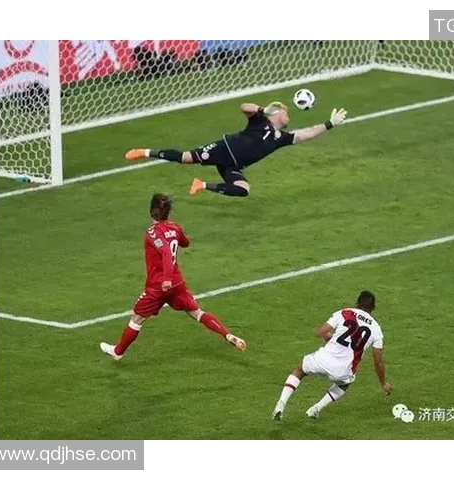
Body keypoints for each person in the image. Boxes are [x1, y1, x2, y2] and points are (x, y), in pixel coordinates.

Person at [100, 193, 246, 361]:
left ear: (151, 211)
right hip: (177, 284)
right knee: (197, 313)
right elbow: (185, 243)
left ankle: (118, 352)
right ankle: (228, 335)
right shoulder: (175, 227)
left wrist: (166, 279)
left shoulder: (152, 232)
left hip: (158, 286)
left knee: (136, 318)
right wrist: (174, 235)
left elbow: (166, 253)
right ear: (168, 213)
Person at [124, 102, 348, 198]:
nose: (288, 116)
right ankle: (144, 152)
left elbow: (308, 133)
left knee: (243, 189)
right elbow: (244, 107)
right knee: (186, 157)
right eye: (285, 112)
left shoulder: (281, 138)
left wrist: (330, 123)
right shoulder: (260, 120)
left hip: (233, 165)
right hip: (225, 149)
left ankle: (201, 185)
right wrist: (262, 109)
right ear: (276, 113)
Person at [272, 290, 393, 420]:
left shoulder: (345, 312)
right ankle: (316, 409)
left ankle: (281, 404)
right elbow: (378, 361)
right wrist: (383, 383)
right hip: (343, 370)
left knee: (300, 369)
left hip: (323, 359)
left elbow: (320, 332)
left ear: (356, 303)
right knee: (344, 384)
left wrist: (330, 337)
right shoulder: (376, 329)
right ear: (373, 308)